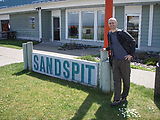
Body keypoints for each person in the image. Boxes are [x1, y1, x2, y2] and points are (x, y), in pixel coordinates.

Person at [106, 18, 136, 106]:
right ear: (108, 24)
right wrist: (106, 49)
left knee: (126, 80)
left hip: (124, 60)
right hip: (115, 60)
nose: (111, 24)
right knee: (116, 81)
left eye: (113, 23)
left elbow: (133, 41)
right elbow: (112, 45)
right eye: (110, 23)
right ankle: (116, 99)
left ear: (116, 23)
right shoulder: (109, 34)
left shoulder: (122, 33)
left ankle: (124, 96)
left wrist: (131, 55)